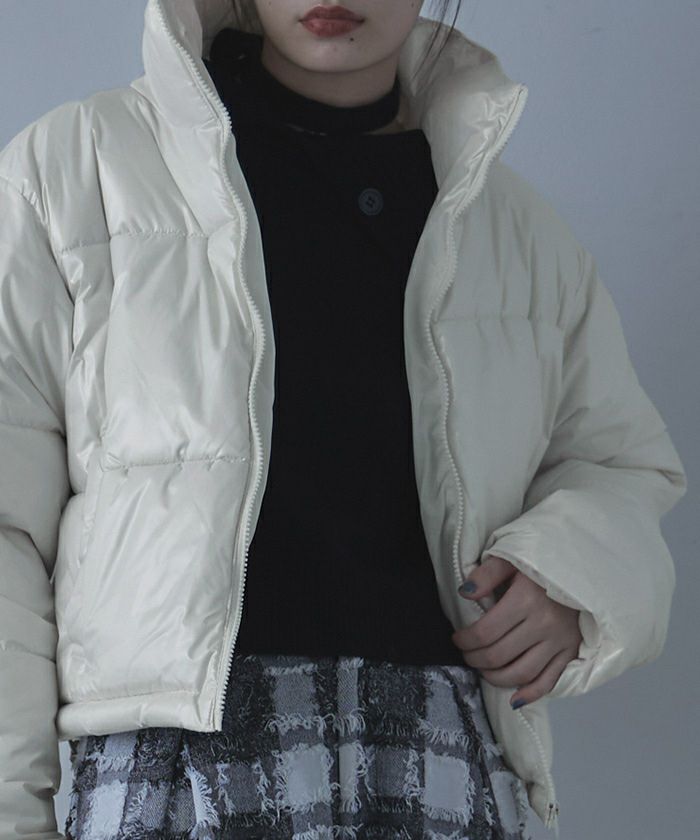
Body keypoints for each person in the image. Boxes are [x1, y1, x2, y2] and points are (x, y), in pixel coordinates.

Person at [0, 1, 687, 838]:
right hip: (178, 762)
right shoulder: (78, 170)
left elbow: (621, 465)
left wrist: (572, 573)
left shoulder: (513, 229)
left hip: (441, 756)